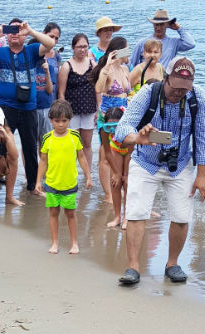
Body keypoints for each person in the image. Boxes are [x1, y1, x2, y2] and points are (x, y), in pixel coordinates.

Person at [112, 58, 205, 285]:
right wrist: (138, 137)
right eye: (175, 86)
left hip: (180, 164)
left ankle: (172, 264)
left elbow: (203, 137)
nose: (178, 93)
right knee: (136, 212)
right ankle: (133, 267)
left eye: (184, 89)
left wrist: (201, 175)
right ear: (166, 78)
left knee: (182, 215)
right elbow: (122, 129)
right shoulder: (147, 93)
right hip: (145, 161)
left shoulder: (197, 97)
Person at [0, 18, 56, 194]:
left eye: (18, 30)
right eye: (12, 31)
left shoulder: (32, 51)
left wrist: (30, 31)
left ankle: (33, 185)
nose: (15, 34)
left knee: (30, 147)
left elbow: (50, 43)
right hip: (6, 107)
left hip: (28, 107)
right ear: (7, 36)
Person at [35, 100, 92, 254]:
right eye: (57, 121)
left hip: (69, 184)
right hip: (52, 183)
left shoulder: (74, 136)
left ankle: (74, 243)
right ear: (51, 120)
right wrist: (38, 181)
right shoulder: (47, 138)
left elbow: (81, 157)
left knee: (70, 213)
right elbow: (43, 160)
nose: (60, 124)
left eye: (64, 121)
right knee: (53, 213)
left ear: (70, 119)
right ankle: (55, 243)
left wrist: (88, 176)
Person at [90, 37, 131, 206]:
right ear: (118, 51)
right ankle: (108, 193)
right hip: (107, 116)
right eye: (126, 49)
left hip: (124, 115)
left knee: (122, 152)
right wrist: (107, 66)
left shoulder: (126, 69)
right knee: (105, 154)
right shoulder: (106, 70)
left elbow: (131, 90)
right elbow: (98, 88)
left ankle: (119, 186)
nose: (129, 52)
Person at [56, 33, 97, 195]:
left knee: (87, 144)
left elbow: (97, 88)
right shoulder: (67, 66)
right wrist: (63, 113)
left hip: (88, 109)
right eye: (79, 46)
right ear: (73, 48)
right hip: (71, 112)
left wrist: (98, 107)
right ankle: (69, 175)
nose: (82, 49)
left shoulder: (92, 64)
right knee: (71, 145)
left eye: (85, 46)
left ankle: (87, 177)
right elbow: (61, 93)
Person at [129, 9, 196, 69]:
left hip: (165, 80)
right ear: (153, 25)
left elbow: (191, 44)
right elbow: (131, 63)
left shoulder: (173, 43)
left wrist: (179, 29)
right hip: (146, 79)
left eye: (161, 25)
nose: (158, 28)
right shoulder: (142, 43)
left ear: (167, 25)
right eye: (156, 25)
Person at [100, 107, 133, 228]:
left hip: (129, 152)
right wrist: (116, 173)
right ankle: (117, 217)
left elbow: (130, 153)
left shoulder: (129, 130)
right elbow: (107, 153)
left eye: (116, 126)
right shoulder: (104, 131)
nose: (113, 130)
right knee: (115, 183)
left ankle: (126, 217)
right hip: (115, 149)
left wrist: (125, 175)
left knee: (127, 184)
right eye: (109, 127)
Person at [34, 23, 61, 144]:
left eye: (56, 38)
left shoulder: (56, 56)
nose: (53, 40)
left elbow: (58, 79)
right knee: (31, 142)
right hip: (34, 102)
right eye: (51, 36)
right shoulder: (35, 50)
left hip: (50, 101)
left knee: (48, 141)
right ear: (43, 34)